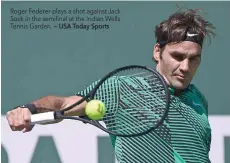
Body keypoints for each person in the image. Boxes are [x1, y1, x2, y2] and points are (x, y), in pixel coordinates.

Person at [6, 8, 215, 163]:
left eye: (193, 59)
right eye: (177, 56)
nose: (185, 67)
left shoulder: (199, 101)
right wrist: (30, 110)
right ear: (157, 52)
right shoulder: (121, 89)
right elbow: (65, 103)